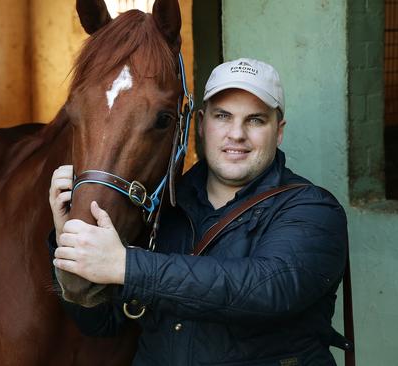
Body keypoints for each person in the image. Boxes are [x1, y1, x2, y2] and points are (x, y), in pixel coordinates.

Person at [48, 58, 349, 365]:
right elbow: (103, 323)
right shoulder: (163, 210)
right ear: (202, 124)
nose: (237, 134)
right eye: (223, 116)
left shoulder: (313, 209)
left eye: (256, 120)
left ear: (279, 131)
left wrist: (126, 265)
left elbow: (266, 289)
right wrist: (68, 240)